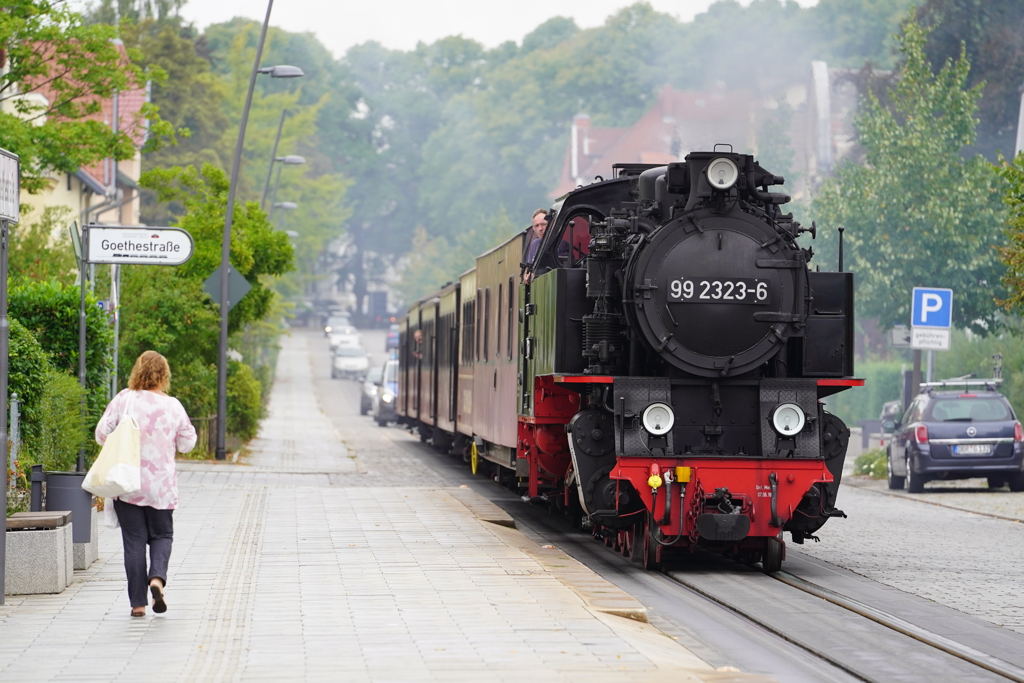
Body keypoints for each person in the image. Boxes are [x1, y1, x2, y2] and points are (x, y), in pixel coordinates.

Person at [96, 351, 197, 617]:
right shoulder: (173, 405)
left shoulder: (124, 399)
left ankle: (138, 604)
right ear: (164, 375)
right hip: (161, 488)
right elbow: (188, 443)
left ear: (137, 371)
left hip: (127, 484)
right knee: (163, 535)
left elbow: (100, 434)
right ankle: (157, 579)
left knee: (134, 543)